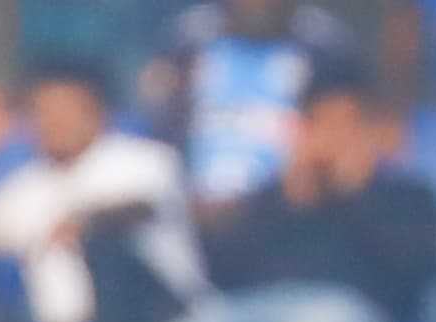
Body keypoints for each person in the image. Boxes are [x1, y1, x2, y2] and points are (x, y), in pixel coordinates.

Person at [142, 71, 436, 322]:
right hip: (256, 310)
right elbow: (222, 275)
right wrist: (289, 201)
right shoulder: (275, 196)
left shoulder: (406, 195)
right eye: (319, 125)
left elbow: (416, 277)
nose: (331, 138)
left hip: (353, 314)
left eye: (345, 126)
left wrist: (359, 194)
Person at [0, 55, 208, 322]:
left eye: (66, 108)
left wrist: (86, 223)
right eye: (43, 111)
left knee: (107, 250)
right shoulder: (21, 189)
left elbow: (141, 208)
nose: (53, 121)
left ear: (98, 111)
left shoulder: (146, 161)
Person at [152, 0, 368, 205]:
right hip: (195, 201)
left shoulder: (325, 47)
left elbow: (338, 132)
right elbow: (164, 123)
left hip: (284, 209)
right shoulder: (190, 39)